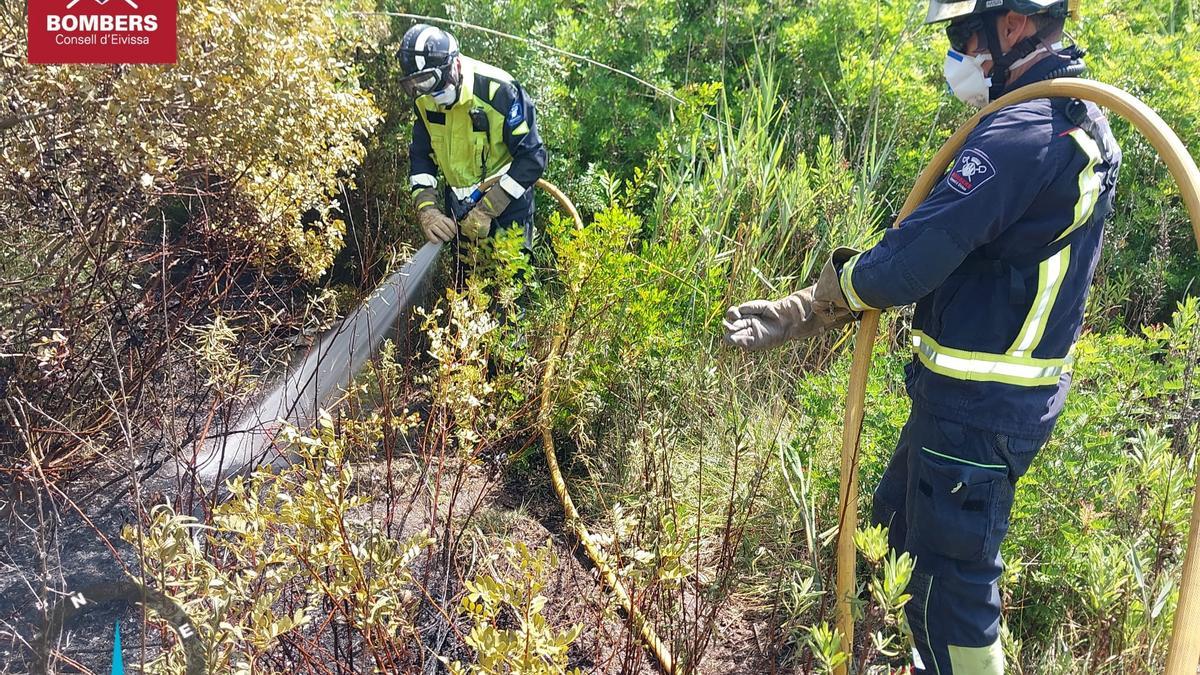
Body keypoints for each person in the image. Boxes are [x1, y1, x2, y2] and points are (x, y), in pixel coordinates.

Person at [723, 1, 1118, 672]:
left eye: (965, 34)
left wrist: (816, 303)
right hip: (969, 404)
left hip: (977, 413)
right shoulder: (1066, 119)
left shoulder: (1024, 130)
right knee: (895, 529)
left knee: (950, 593)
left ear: (1013, 26)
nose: (959, 52)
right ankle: (895, 653)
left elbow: (917, 257)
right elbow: (960, 247)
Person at [398, 24, 547, 253]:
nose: (432, 96)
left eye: (431, 81)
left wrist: (488, 208)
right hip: (459, 214)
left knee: (512, 285)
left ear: (454, 64)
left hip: (508, 208)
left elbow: (532, 158)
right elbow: (421, 158)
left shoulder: (500, 91)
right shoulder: (424, 99)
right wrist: (427, 209)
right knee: (465, 286)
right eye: (416, 85)